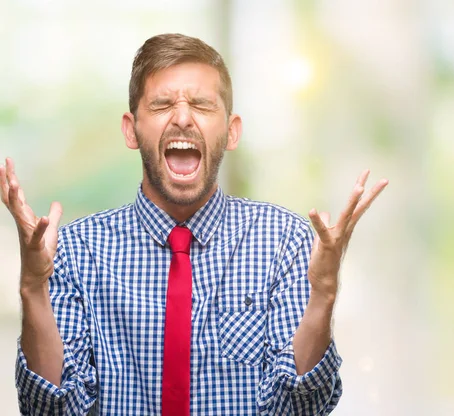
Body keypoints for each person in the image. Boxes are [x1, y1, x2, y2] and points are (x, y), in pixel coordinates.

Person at [1, 33, 388, 415]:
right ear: (130, 129)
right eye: (162, 104)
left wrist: (322, 292)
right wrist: (33, 286)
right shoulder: (76, 250)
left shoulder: (282, 241)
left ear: (231, 130)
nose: (183, 118)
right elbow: (51, 410)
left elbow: (301, 408)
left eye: (201, 105)